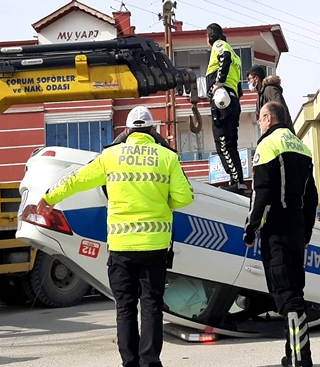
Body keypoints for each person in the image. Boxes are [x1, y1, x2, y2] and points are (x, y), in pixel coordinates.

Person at [37, 106, 194, 367]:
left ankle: (129, 363)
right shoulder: (167, 158)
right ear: (152, 131)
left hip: (121, 248)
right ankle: (150, 363)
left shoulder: (111, 156)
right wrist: (162, 200)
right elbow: (185, 196)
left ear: (127, 130)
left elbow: (77, 179)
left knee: (125, 307)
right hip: (154, 247)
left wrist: (49, 197)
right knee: (152, 306)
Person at [243, 101, 319, 367]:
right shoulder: (302, 147)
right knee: (295, 292)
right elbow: (312, 199)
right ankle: (293, 354)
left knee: (287, 298)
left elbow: (261, 194)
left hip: (276, 230)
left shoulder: (267, 145)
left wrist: (251, 229)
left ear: (268, 118)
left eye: (260, 119)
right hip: (297, 229)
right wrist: (307, 232)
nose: (259, 124)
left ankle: (300, 359)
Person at [205, 23, 245, 194]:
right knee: (231, 143)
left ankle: (236, 181)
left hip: (223, 99)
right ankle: (238, 181)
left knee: (222, 141)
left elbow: (224, 56)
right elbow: (239, 86)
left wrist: (218, 83)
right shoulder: (238, 57)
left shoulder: (219, 45)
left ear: (209, 37)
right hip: (233, 100)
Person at [247, 65, 294, 133]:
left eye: (249, 79)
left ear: (256, 78)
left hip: (282, 135)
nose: (248, 83)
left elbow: (281, 111)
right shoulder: (260, 97)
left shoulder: (270, 90)